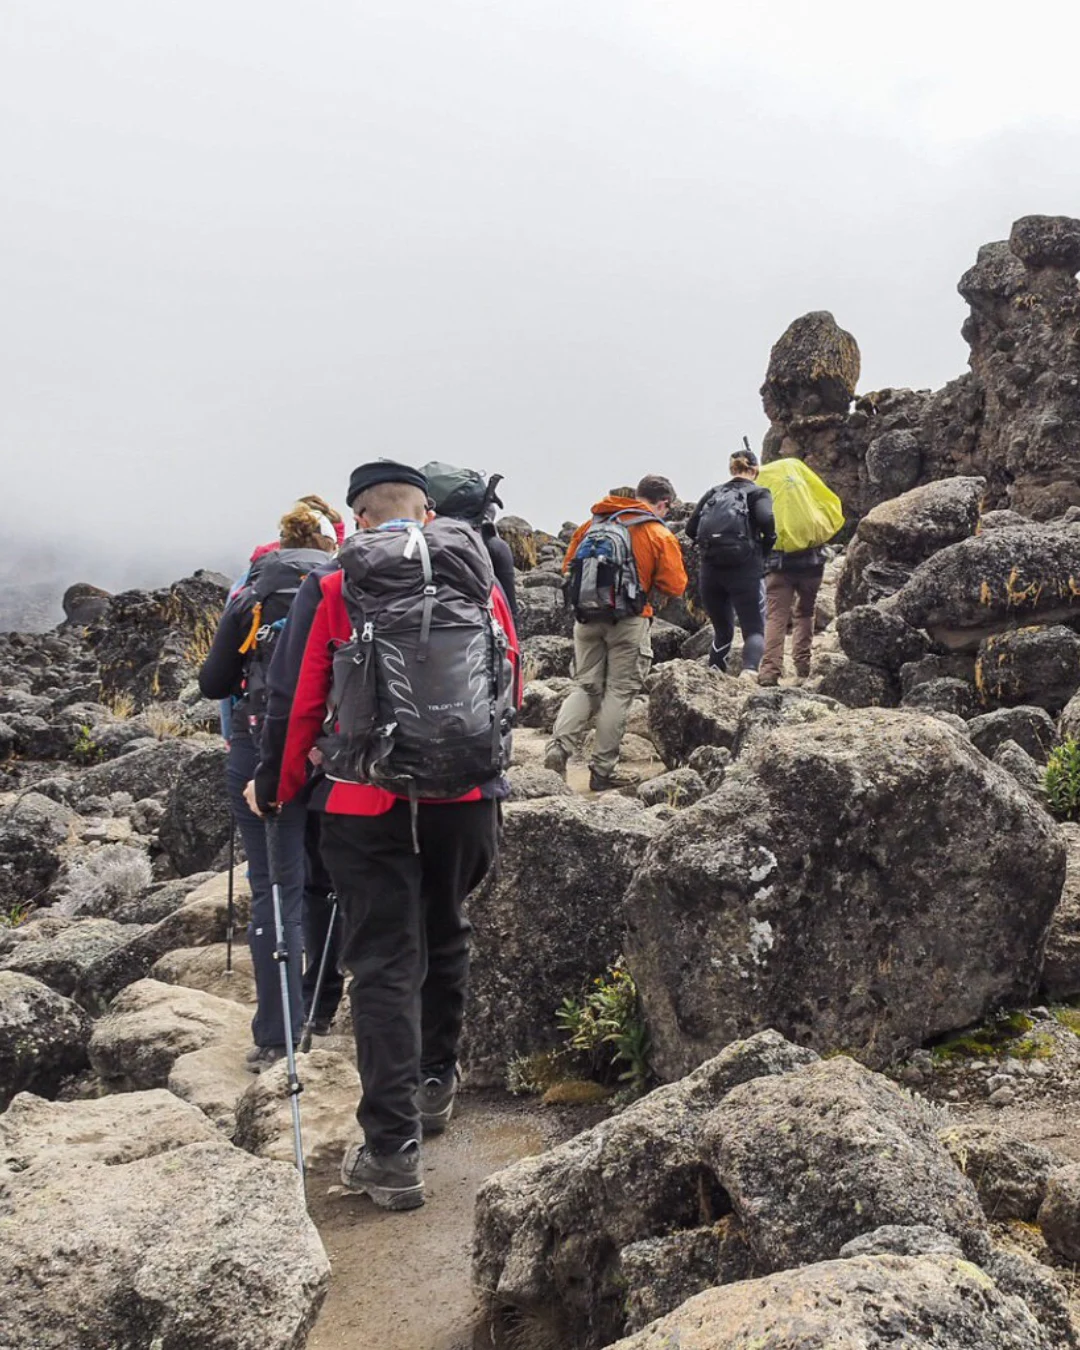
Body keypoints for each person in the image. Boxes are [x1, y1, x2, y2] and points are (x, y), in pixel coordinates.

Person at [246, 461, 520, 1211]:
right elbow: (510, 676)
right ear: (427, 513)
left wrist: (277, 786)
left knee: (382, 963)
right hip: (466, 796)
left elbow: (296, 700)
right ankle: (435, 1084)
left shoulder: (336, 583)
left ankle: (393, 1152)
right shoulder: (474, 572)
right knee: (447, 930)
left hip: (365, 803)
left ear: (358, 519)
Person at [198, 499, 338, 1071]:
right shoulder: (344, 582)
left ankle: (279, 1035)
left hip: (259, 752)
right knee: (326, 882)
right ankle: (321, 1005)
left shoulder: (251, 590)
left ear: (279, 543)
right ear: (328, 542)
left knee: (275, 889)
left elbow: (213, 683)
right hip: (332, 755)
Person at [545, 475, 687, 791]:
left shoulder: (593, 525)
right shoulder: (657, 532)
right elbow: (675, 585)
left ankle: (558, 749)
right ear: (663, 503)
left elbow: (568, 567)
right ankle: (602, 772)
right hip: (629, 620)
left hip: (586, 618)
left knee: (586, 687)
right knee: (619, 692)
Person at [686, 449, 776, 677]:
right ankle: (749, 673)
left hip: (711, 571)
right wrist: (766, 545)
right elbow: (766, 517)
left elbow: (690, 529)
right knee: (753, 629)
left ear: (731, 469)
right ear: (755, 470)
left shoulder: (714, 493)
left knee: (722, 630)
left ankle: (714, 675)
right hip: (746, 570)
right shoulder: (759, 493)